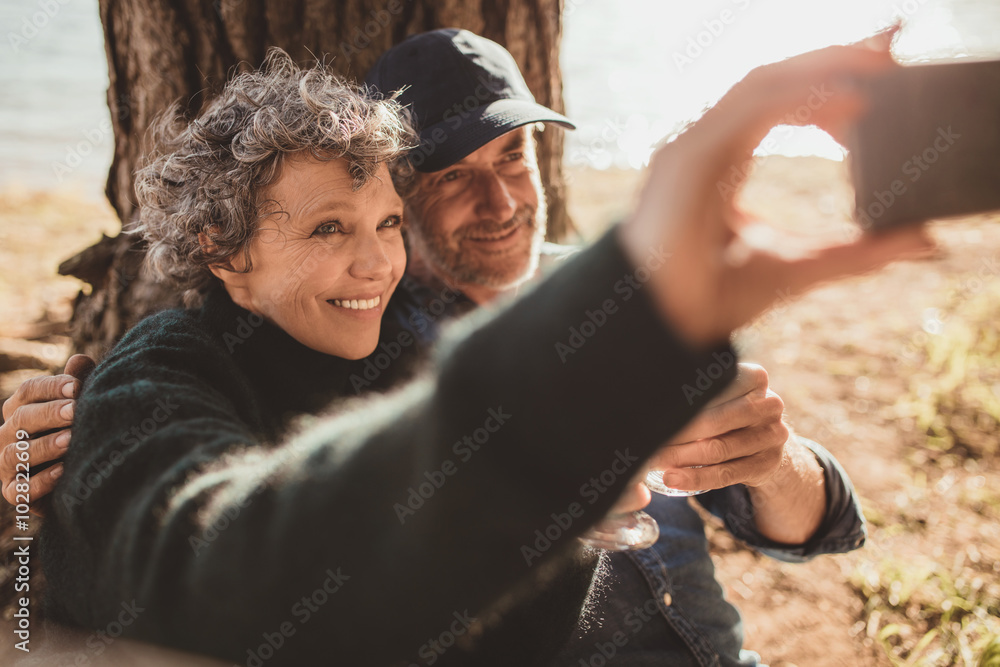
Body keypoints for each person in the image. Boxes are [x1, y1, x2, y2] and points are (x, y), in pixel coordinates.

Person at [0, 30, 931, 667]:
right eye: (331, 227)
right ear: (224, 251)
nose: (371, 259)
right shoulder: (272, 358)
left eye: (514, 159)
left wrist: (771, 457)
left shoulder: (593, 308)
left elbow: (824, 524)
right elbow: (227, 556)